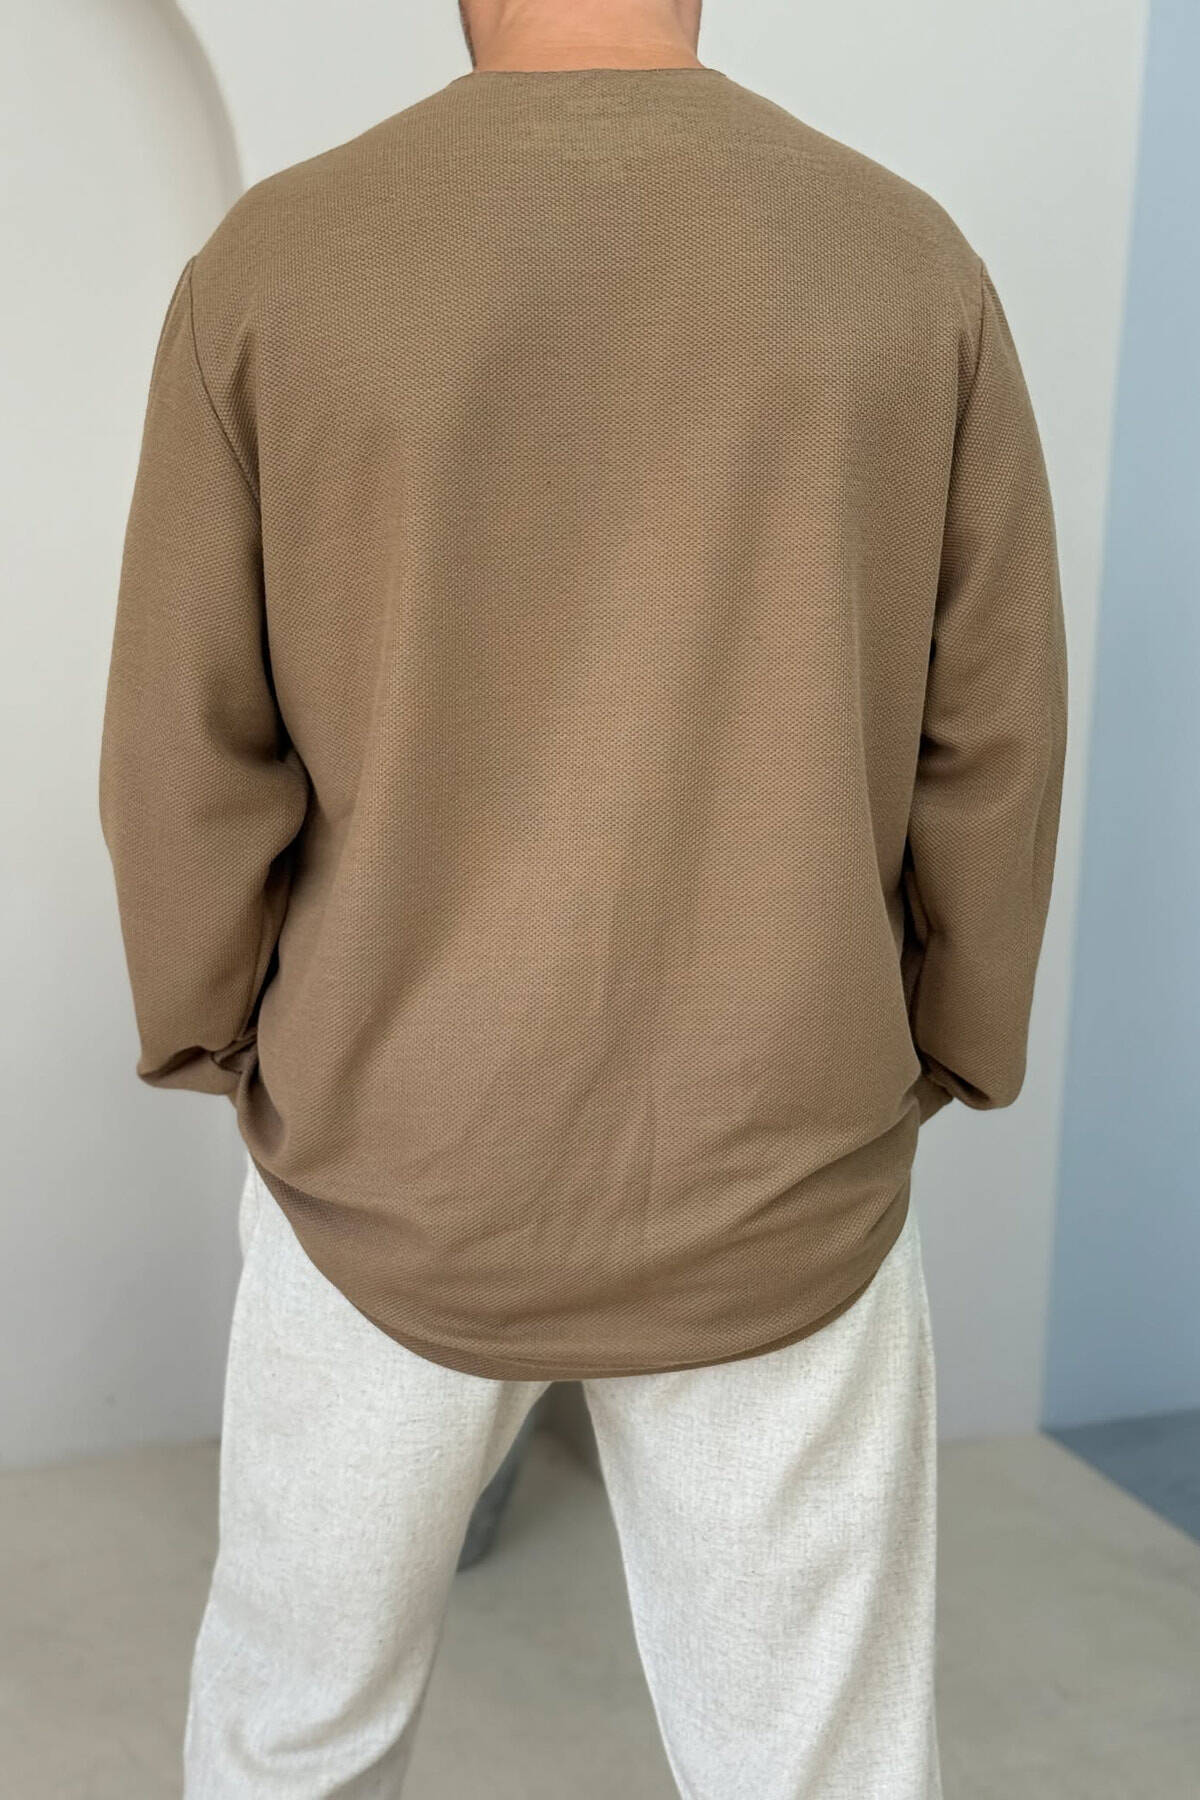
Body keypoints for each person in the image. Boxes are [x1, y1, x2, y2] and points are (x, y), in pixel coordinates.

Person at [98, 0, 1068, 1793]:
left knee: (292, 1738)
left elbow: (187, 745)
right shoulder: (904, 265)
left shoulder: (277, 268)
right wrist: (945, 1038)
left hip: (386, 1153)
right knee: (818, 1768)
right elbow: (991, 737)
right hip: (781, 1153)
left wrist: (227, 1035)